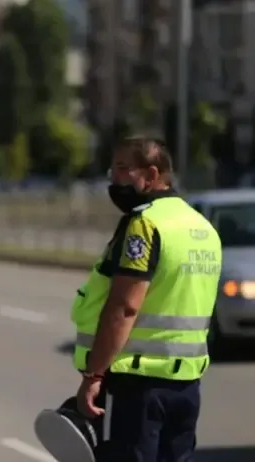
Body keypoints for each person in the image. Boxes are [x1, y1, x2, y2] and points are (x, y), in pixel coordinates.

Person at [35, 136, 222, 462]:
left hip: (139, 388)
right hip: (187, 386)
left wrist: (93, 376)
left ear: (151, 175)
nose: (113, 178)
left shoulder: (145, 225)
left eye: (123, 169)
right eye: (113, 168)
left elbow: (125, 307)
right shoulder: (202, 227)